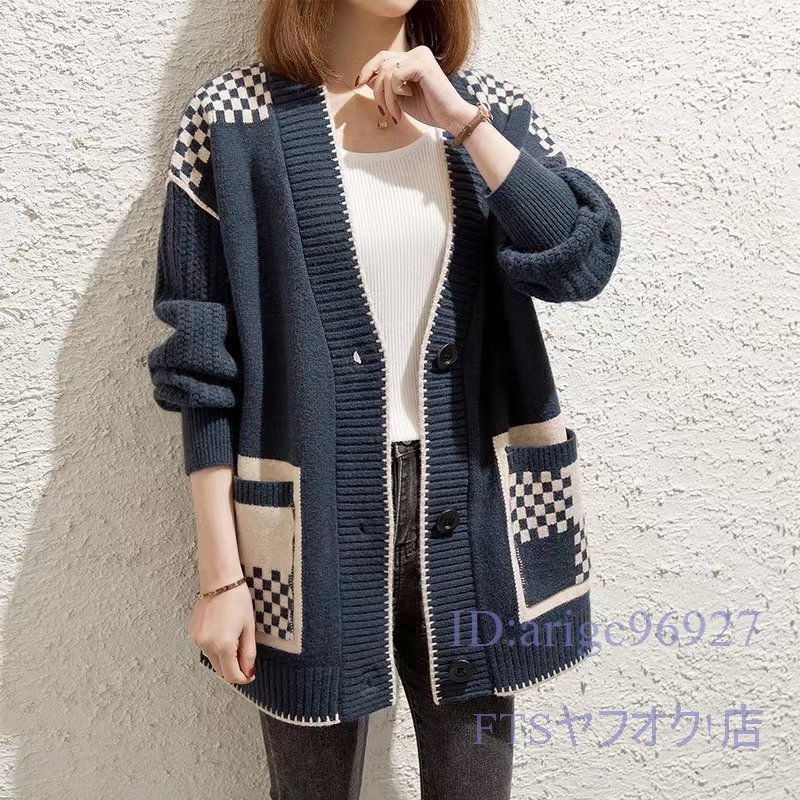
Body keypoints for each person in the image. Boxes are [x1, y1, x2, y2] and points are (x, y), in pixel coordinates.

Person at [146, 0, 622, 797]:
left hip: (477, 511)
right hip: (303, 530)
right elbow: (199, 363)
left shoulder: (488, 108)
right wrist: (220, 576)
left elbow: (580, 263)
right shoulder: (231, 117)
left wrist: (462, 121)